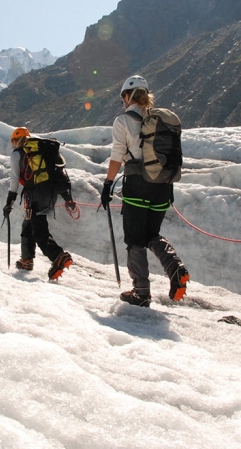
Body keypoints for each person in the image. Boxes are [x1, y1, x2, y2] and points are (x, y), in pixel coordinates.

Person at [100, 75, 189, 307]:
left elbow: (117, 156)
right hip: (163, 186)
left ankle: (141, 291)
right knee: (152, 234)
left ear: (127, 96)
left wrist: (108, 184)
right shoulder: (159, 120)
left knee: (135, 239)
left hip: (137, 185)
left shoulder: (123, 121)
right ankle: (175, 268)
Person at [4, 127, 74, 280]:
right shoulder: (42, 151)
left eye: (13, 141)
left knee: (39, 231)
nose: (13, 144)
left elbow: (14, 179)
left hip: (35, 195)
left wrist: (10, 201)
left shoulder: (18, 154)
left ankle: (58, 256)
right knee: (28, 225)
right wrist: (68, 198)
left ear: (16, 141)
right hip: (50, 194)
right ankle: (26, 259)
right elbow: (58, 174)